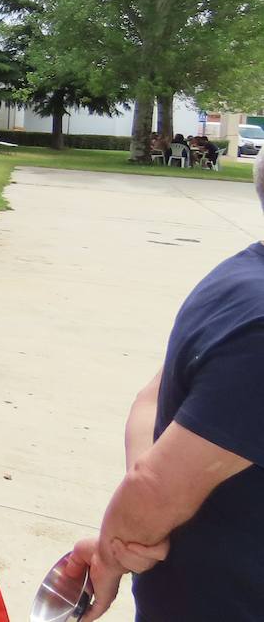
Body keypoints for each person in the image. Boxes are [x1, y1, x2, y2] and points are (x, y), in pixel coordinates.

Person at [65, 154, 264, 622]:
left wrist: (135, 532)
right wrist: (121, 546)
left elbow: (153, 399)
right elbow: (155, 486)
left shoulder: (237, 278)